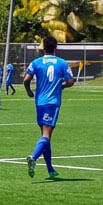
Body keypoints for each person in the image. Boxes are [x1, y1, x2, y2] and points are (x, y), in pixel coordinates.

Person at [23, 36, 76, 179]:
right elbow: (71, 81)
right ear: (56, 47)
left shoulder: (36, 62)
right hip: (52, 103)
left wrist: (29, 91)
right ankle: (33, 158)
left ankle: (50, 169)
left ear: (43, 48)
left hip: (39, 102)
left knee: (45, 135)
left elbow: (26, 79)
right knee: (46, 134)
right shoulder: (62, 63)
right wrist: (62, 86)